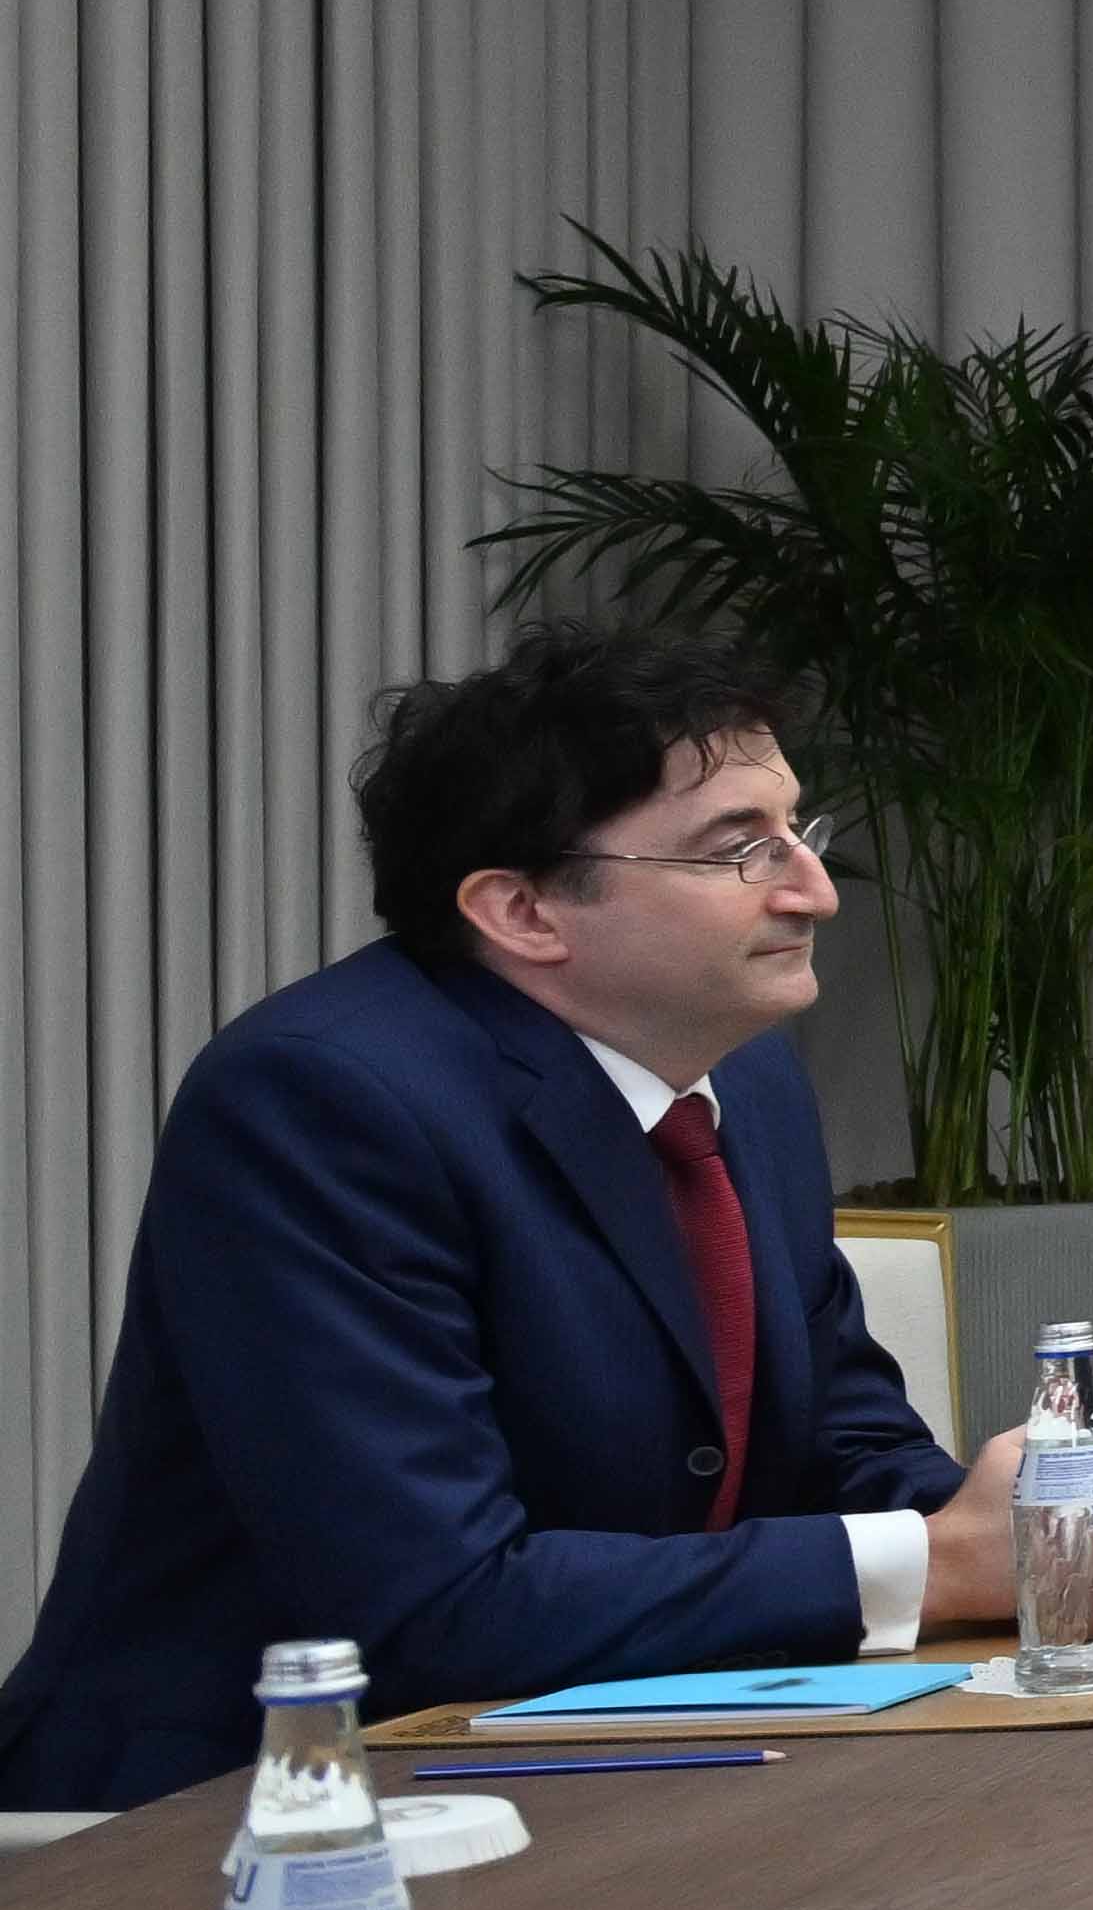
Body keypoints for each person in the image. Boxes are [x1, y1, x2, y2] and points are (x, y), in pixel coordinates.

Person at [0, 629, 1001, 1813]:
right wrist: (927, 1565)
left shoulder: (747, 1076)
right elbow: (437, 1603)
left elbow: (837, 1433)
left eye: (798, 830)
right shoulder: (321, 1101)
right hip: (235, 1818)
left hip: (616, 1756)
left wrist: (1017, 1522)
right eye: (739, 849)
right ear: (523, 909)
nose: (813, 889)